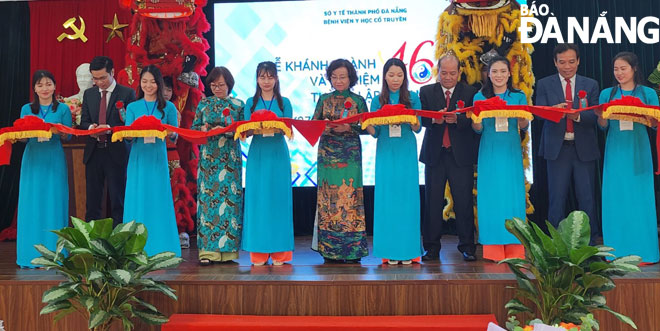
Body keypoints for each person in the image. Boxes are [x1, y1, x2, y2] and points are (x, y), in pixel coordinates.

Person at [596, 52, 659, 264]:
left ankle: (645, 252)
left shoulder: (648, 93)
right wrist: (600, 116)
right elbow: (602, 126)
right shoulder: (607, 94)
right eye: (616, 69)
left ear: (634, 69)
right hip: (615, 152)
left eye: (623, 68)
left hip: (639, 151)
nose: (619, 73)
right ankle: (616, 252)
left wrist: (647, 116)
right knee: (617, 199)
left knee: (640, 200)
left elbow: (654, 124)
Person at [535, 44, 600, 240]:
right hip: (557, 149)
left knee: (587, 198)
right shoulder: (545, 84)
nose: (567, 66)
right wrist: (555, 111)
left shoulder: (590, 84)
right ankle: (555, 241)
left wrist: (576, 116)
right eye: (562, 62)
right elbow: (539, 114)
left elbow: (595, 116)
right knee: (557, 198)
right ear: (555, 62)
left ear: (578, 61)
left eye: (571, 62)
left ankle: (590, 241)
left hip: (584, 149)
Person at [419, 53, 479, 262]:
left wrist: (457, 119)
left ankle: (467, 247)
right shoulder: (426, 91)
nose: (448, 77)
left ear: (459, 73)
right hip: (435, 155)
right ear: (438, 71)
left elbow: (473, 121)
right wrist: (435, 119)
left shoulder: (471, 92)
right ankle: (431, 248)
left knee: (463, 203)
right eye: (444, 73)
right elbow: (421, 119)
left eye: (452, 73)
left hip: (460, 155)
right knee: (432, 203)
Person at [472, 56, 528, 262]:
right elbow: (477, 129)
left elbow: (523, 126)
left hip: (511, 152)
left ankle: (515, 246)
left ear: (509, 73)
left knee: (512, 195)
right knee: (491, 197)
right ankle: (493, 245)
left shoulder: (519, 96)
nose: (498, 75)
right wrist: (476, 120)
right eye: (494, 71)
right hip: (490, 151)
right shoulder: (479, 97)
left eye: (503, 71)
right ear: (488, 74)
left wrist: (523, 117)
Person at [367, 58, 423, 264]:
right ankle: (389, 251)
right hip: (385, 153)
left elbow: (418, 127)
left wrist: (409, 116)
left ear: (404, 77)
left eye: (399, 75)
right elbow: (375, 132)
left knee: (407, 199)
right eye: (391, 75)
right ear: (384, 76)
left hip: (406, 152)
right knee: (387, 200)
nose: (395, 79)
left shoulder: (413, 97)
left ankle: (408, 250)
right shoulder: (377, 100)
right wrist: (366, 123)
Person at [312, 59, 368, 263]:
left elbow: (368, 127)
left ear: (350, 77)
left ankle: (353, 251)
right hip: (327, 156)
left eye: (342, 77)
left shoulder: (358, 100)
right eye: (334, 77)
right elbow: (313, 125)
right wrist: (324, 127)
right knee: (329, 199)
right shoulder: (324, 100)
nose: (338, 80)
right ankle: (330, 250)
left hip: (351, 155)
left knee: (351, 199)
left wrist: (350, 128)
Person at [123, 65, 181, 257]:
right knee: (137, 198)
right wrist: (130, 134)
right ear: (140, 83)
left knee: (158, 199)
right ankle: (134, 248)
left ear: (159, 84)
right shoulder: (132, 107)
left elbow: (174, 137)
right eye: (145, 81)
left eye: (153, 82)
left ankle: (161, 247)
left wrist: (171, 133)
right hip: (138, 158)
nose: (149, 85)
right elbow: (127, 136)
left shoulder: (169, 108)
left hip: (157, 158)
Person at [16, 70, 72, 268]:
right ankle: (28, 254)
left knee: (53, 202)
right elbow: (22, 136)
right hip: (33, 158)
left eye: (48, 84)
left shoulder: (63, 109)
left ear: (55, 86)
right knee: (31, 203)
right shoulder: (26, 108)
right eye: (40, 85)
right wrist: (19, 134)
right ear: (34, 88)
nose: (45, 88)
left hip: (53, 159)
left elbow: (69, 135)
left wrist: (58, 130)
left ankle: (55, 256)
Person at [242, 61, 294, 266]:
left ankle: (280, 252)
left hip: (278, 155)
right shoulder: (250, 102)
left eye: (270, 77)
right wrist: (259, 126)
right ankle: (259, 252)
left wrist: (273, 124)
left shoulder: (284, 102)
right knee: (258, 201)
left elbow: (288, 129)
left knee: (278, 201)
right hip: (258, 155)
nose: (266, 81)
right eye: (262, 77)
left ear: (277, 78)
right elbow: (245, 130)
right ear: (256, 79)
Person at [192, 67, 244, 265]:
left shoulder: (238, 105)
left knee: (230, 203)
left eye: (221, 85)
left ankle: (228, 252)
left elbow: (244, 131)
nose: (217, 88)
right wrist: (204, 129)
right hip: (209, 160)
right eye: (213, 85)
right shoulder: (204, 104)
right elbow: (195, 128)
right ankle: (208, 252)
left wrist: (227, 130)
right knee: (207, 204)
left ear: (229, 84)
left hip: (230, 159)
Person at [80, 56, 136, 226]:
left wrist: (110, 128)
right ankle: (91, 240)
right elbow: (83, 122)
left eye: (102, 78)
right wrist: (91, 128)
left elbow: (130, 123)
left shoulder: (127, 93)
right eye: (95, 78)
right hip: (94, 151)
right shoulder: (89, 94)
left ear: (112, 72)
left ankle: (119, 237)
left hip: (116, 152)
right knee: (93, 199)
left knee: (117, 198)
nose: (99, 82)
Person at [162, 76, 193, 249]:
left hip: (171, 154)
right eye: (163, 89)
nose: (166, 93)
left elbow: (175, 135)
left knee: (175, 195)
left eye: (169, 90)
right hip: (151, 156)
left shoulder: (172, 109)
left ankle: (178, 230)